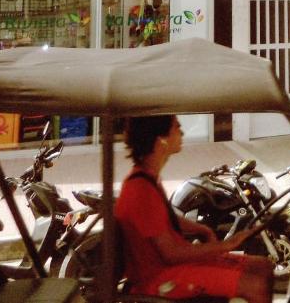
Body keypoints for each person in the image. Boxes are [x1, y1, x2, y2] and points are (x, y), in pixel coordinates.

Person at [115, 115, 273, 301]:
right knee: (256, 286)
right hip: (158, 279)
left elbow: (163, 218)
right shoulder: (140, 189)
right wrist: (225, 245)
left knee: (263, 266)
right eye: (176, 127)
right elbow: (171, 254)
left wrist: (201, 229)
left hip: (169, 268)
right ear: (161, 140)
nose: (182, 132)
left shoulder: (147, 179)